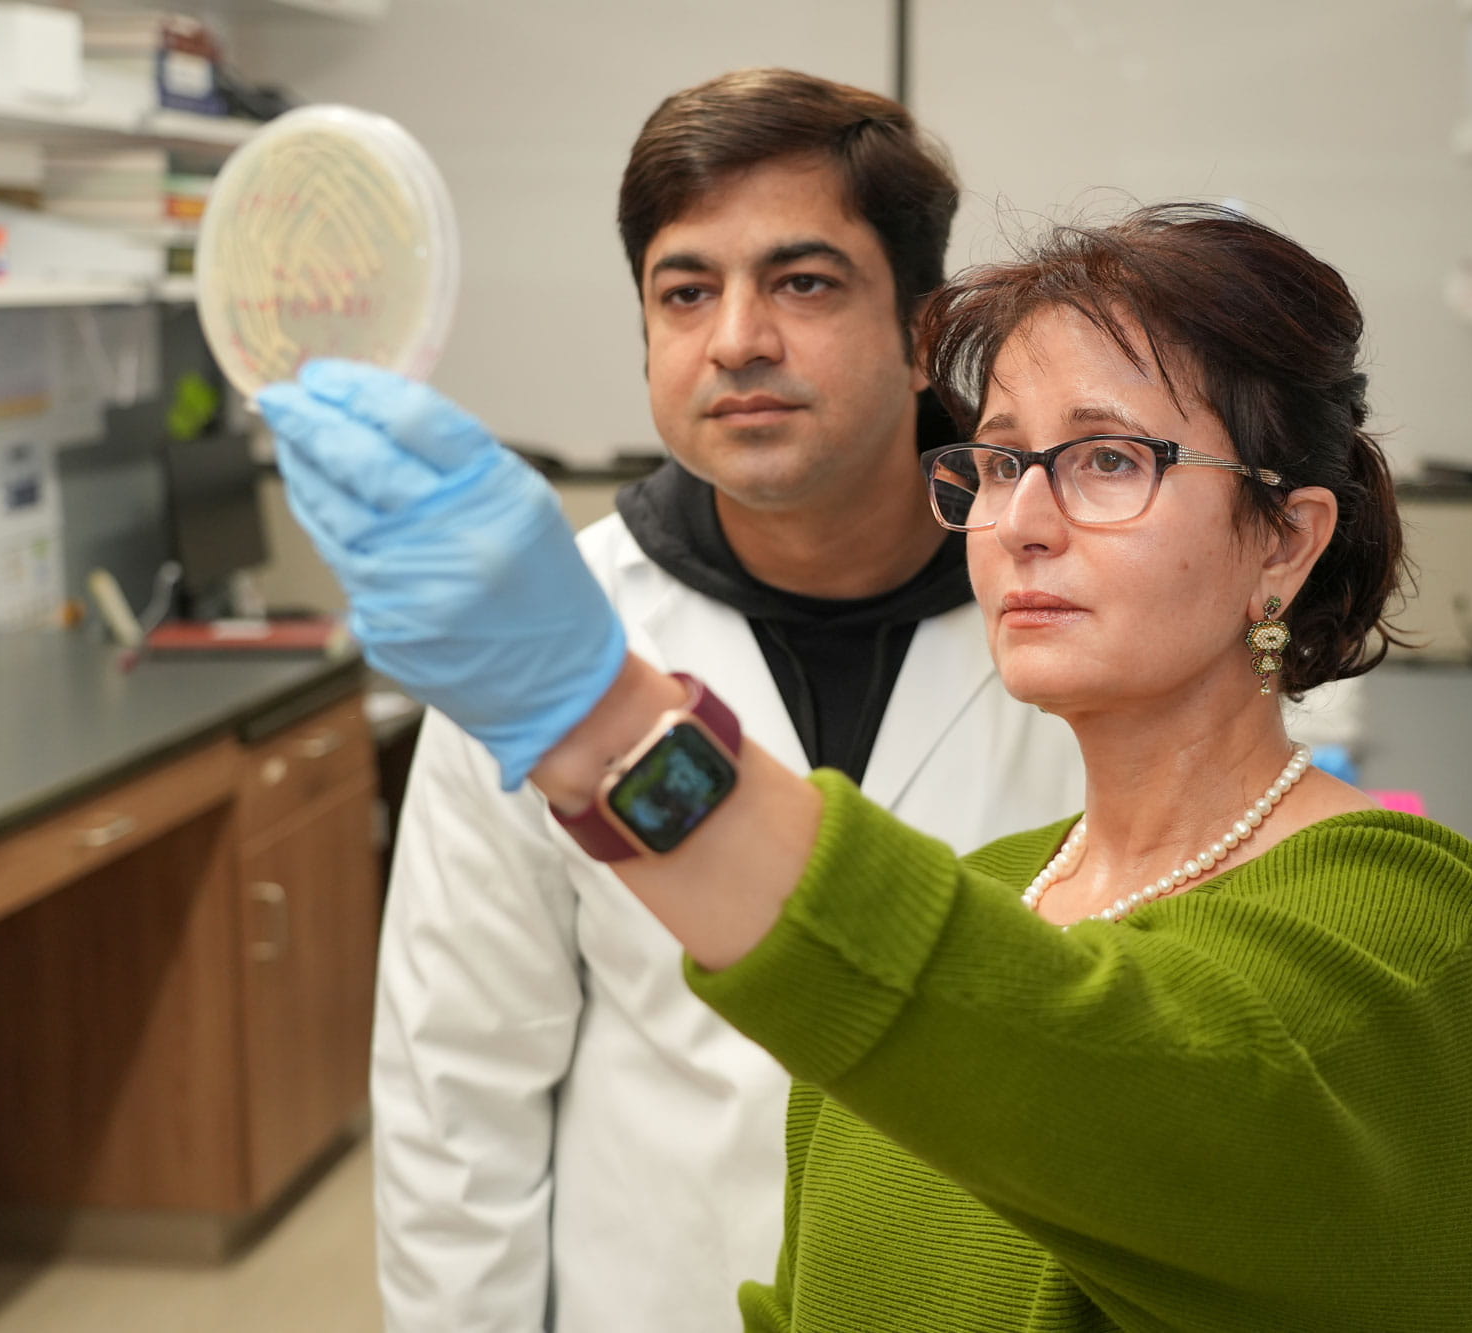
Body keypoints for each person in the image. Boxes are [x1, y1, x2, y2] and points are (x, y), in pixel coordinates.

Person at [263, 203, 1472, 1331]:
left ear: (1282, 541)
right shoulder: (991, 889)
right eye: (995, 460)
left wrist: (596, 720)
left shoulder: (1420, 929)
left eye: (1106, 459)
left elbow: (1064, 1059)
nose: (1020, 519)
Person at [355, 70, 1084, 1332]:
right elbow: (455, 1084)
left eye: (802, 283)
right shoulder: (550, 648)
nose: (736, 337)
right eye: (685, 291)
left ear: (922, 333)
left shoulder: (1077, 614)